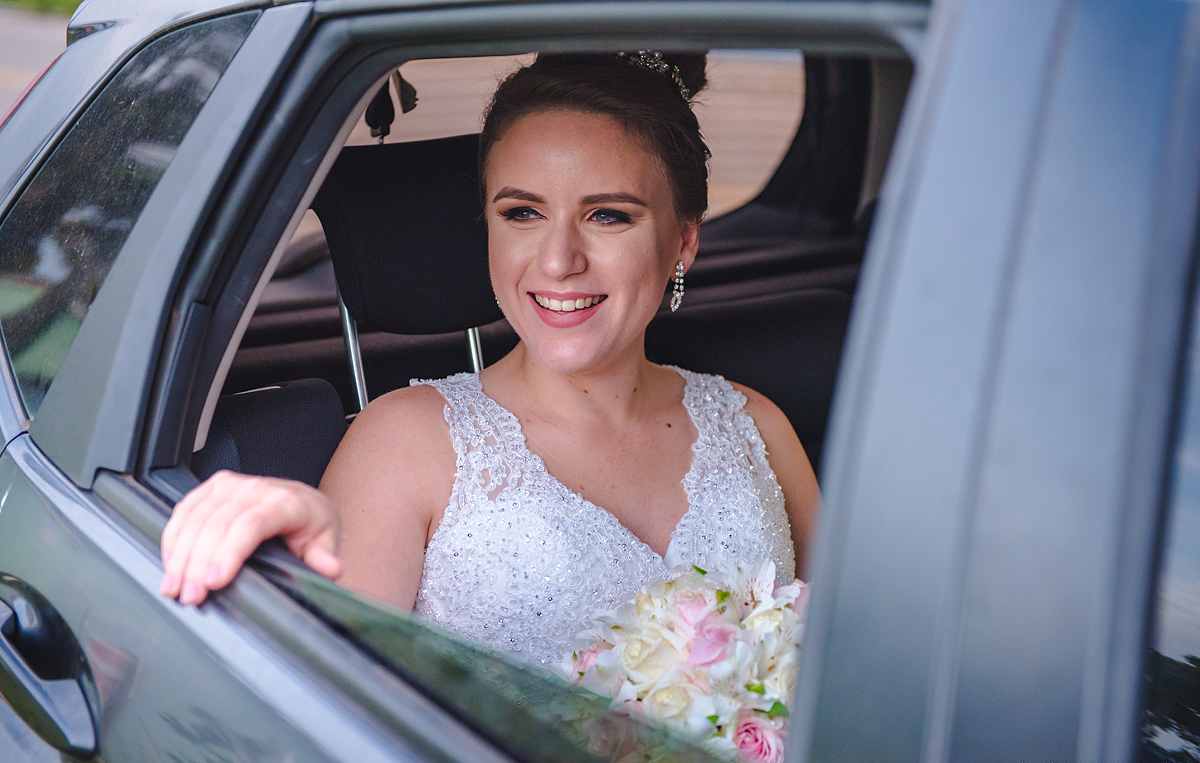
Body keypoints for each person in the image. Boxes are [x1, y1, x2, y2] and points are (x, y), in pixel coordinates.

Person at [160, 51, 821, 666]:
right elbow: (319, 707)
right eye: (523, 213)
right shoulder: (405, 441)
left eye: (608, 216)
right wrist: (296, 565)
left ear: (683, 240)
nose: (559, 260)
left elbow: (862, 666)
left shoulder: (758, 427)